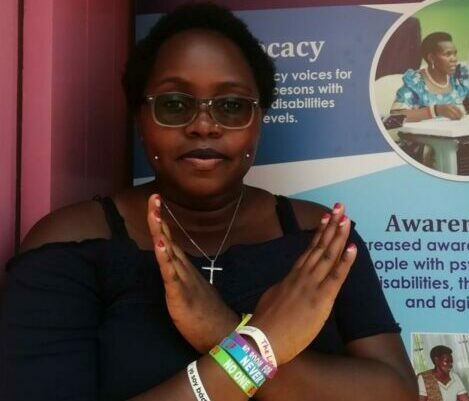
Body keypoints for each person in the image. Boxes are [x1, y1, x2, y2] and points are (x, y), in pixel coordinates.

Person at [0, 3, 418, 401]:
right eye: (175, 104)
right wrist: (259, 345)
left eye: (232, 106)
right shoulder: (71, 245)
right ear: (139, 118)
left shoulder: (319, 238)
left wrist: (221, 331)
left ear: (259, 119)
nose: (203, 124)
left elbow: (396, 392)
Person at [390, 32, 469, 123]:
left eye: (455, 54)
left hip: (457, 137)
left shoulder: (458, 79)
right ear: (431, 58)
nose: (454, 59)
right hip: (423, 141)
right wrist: (435, 110)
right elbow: (396, 116)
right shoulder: (416, 83)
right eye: (447, 54)